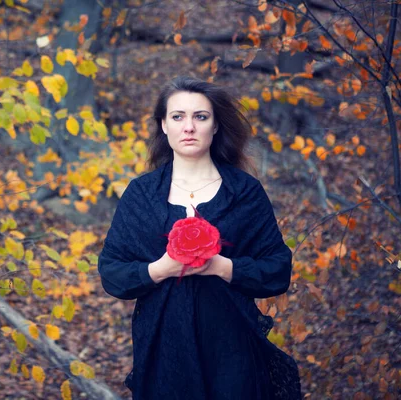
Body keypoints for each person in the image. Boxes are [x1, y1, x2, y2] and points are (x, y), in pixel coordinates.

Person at [98, 77, 301, 399]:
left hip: (231, 344)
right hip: (164, 346)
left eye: (200, 117)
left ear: (216, 125)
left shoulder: (245, 192)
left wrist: (223, 266)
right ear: (163, 125)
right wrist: (160, 268)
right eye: (178, 116)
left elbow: (277, 269)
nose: (189, 126)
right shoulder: (142, 194)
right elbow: (112, 272)